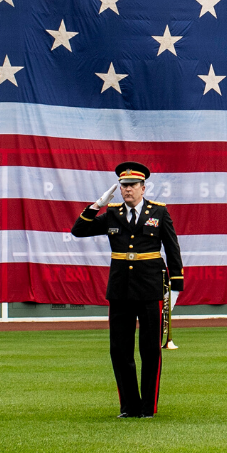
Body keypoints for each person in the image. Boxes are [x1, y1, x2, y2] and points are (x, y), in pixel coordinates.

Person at [71, 161, 184, 418]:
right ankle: (129, 407)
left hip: (150, 289)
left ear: (143, 188)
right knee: (120, 350)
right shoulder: (112, 213)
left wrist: (175, 287)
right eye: (123, 186)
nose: (127, 190)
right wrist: (96, 205)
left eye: (132, 186)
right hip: (120, 290)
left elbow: (172, 248)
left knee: (149, 350)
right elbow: (78, 230)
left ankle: (148, 408)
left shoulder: (159, 212)